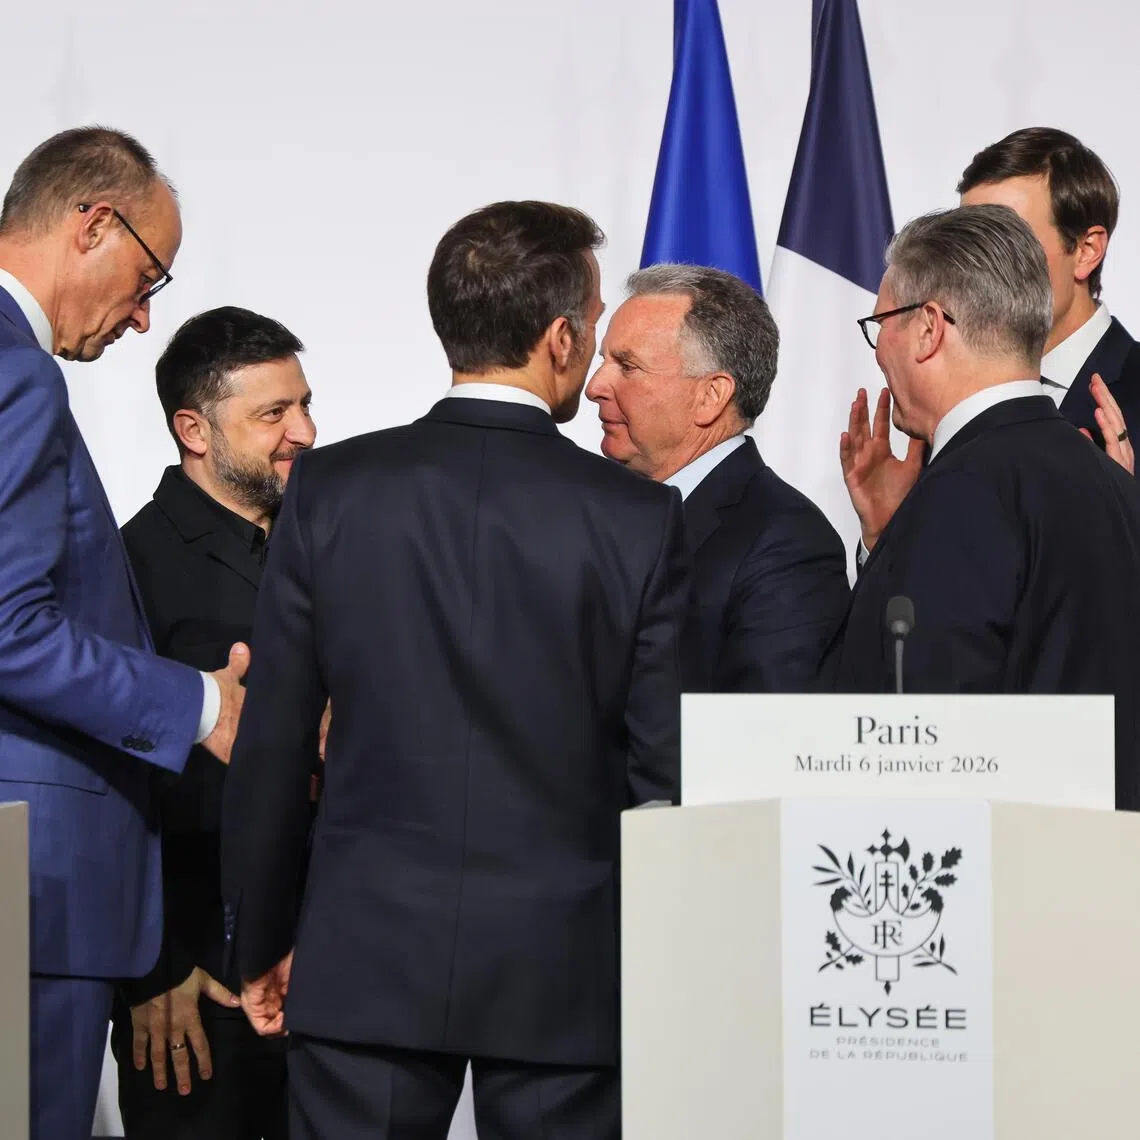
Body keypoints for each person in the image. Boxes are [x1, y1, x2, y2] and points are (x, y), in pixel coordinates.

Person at [221, 201, 689, 1140]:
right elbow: (663, 774)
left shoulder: (331, 491)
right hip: (564, 974)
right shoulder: (640, 518)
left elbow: (272, 741)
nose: (592, 355)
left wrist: (263, 938)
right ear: (559, 336)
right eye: (593, 328)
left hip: (365, 961)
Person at [0, 127, 247, 1140]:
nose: (145, 318)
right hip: (33, 884)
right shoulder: (15, 374)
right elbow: (9, 628)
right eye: (148, 277)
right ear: (94, 223)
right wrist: (199, 704)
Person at [832, 204, 1140, 810]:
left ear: (928, 328)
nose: (878, 351)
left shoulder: (964, 490)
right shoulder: (1113, 482)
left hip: (990, 879)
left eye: (882, 323)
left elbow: (920, 739)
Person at [110, 307, 316, 1138]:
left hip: (335, 977)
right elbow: (104, 783)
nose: (304, 430)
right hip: (195, 994)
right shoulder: (126, 567)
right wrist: (153, 970)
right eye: (273, 414)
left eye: (304, 403)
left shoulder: (333, 539)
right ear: (193, 430)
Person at [586, 263, 848, 691]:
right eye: (603, 362)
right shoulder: (599, 512)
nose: (595, 386)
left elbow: (764, 737)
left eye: (627, 366)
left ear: (710, 396)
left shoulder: (787, 543)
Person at [958, 127, 1139, 453]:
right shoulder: (958, 399)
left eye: (1005, 241)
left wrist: (1120, 500)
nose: (978, 267)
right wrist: (896, 506)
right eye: (968, 244)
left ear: (1086, 250)